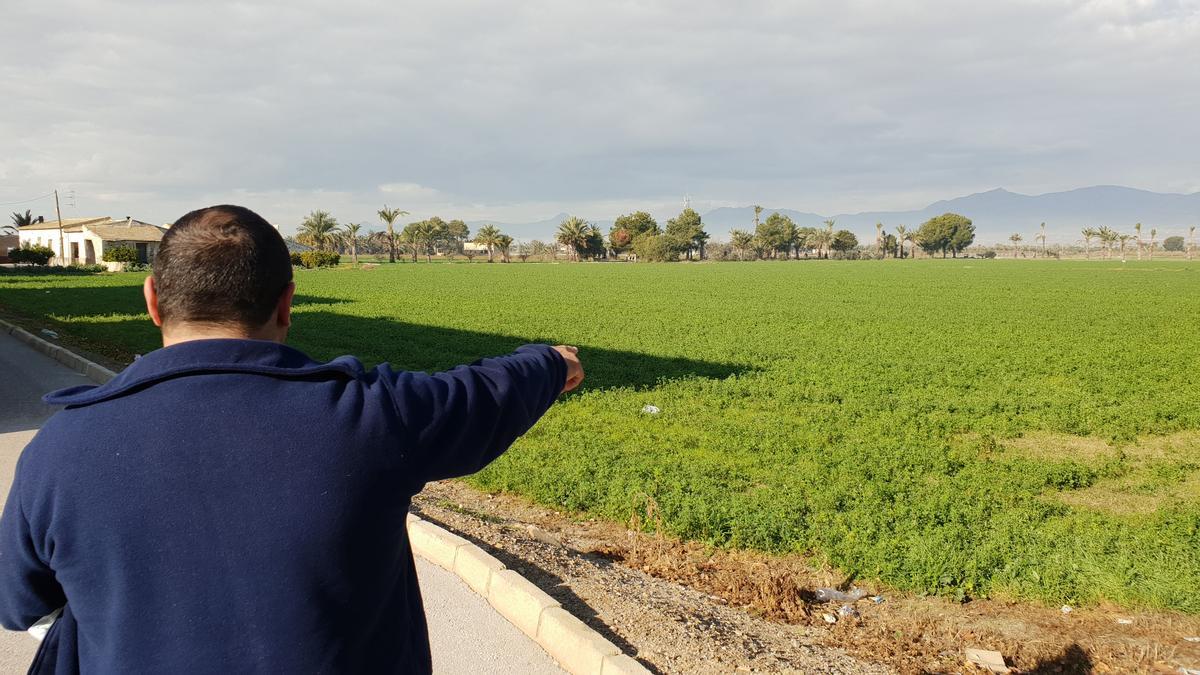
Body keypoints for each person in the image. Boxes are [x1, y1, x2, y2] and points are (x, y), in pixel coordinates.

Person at [0, 205, 583, 673]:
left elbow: (22, 605)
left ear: (152, 301)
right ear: (287, 301)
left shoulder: (57, 451)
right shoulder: (373, 416)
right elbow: (481, 394)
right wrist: (551, 363)